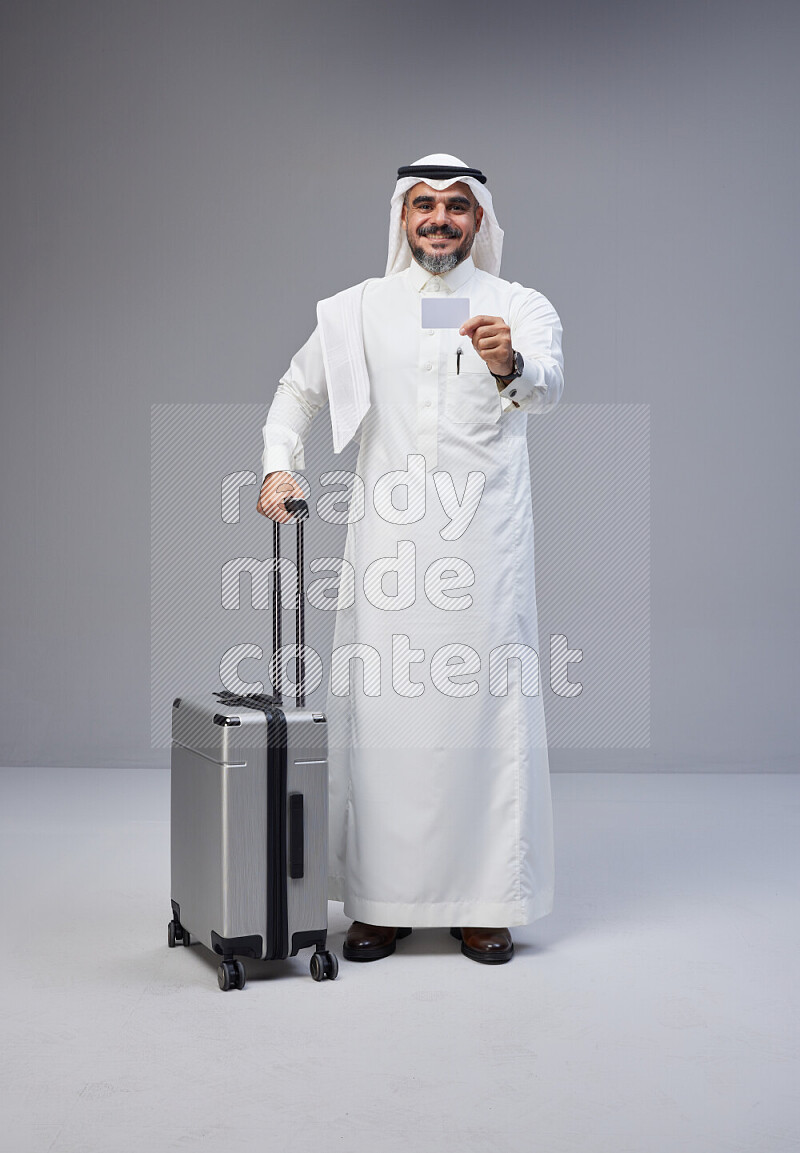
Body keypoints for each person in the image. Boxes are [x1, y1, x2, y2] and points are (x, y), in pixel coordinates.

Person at [257, 154, 564, 964]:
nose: (438, 219)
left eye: (456, 206)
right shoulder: (358, 311)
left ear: (479, 220)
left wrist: (509, 362)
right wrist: (278, 462)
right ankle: (380, 904)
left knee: (483, 720)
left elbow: (550, 383)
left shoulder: (518, 306)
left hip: (485, 551)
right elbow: (297, 390)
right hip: (389, 551)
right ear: (401, 217)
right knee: (386, 722)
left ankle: (484, 902)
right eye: (423, 204)